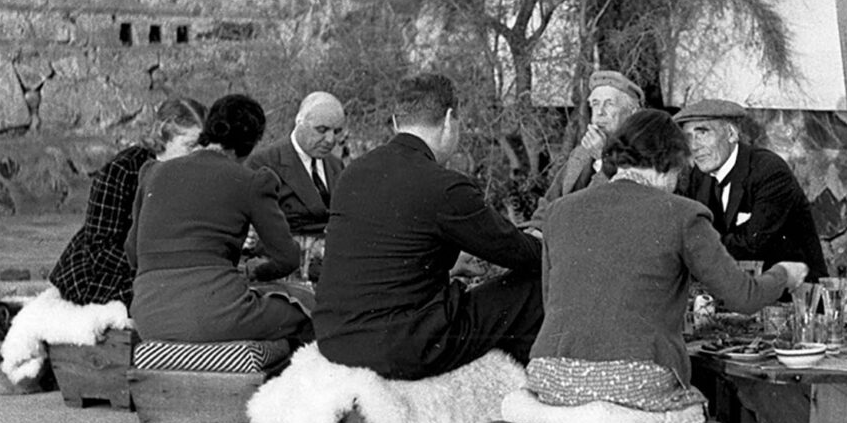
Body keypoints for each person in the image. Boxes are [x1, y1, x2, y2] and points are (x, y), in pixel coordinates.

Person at [529, 110, 809, 411]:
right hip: (633, 377)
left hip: (549, 376)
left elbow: (550, 299)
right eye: (679, 173)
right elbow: (744, 296)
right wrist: (784, 274)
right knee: (706, 410)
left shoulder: (559, 211)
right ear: (669, 163)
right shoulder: (683, 214)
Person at [312, 73, 544, 381]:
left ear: (396, 121)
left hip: (336, 341)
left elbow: (385, 258)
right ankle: (526, 391)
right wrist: (541, 240)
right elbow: (524, 255)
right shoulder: (446, 187)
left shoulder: (353, 173)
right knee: (532, 288)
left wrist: (449, 264)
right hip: (402, 348)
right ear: (449, 120)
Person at [125, 94, 314, 344]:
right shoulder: (253, 181)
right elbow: (287, 258)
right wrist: (256, 271)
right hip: (216, 316)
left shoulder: (154, 173)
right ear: (252, 142)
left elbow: (132, 253)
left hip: (150, 319)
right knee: (307, 308)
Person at [48, 96, 206, 308]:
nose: (198, 154)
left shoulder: (194, 173)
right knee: (169, 299)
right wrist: (159, 265)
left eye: (202, 146)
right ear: (164, 138)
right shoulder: (124, 171)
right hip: (104, 272)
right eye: (190, 145)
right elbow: (99, 250)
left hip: (159, 267)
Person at [673, 97, 828, 280]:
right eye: (688, 137)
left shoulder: (768, 171)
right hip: (738, 291)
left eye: (703, 133)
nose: (694, 146)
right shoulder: (699, 176)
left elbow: (753, 245)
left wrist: (691, 243)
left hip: (792, 295)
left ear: (732, 134)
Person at [531, 69, 643, 222]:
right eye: (595, 104)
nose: (599, 113)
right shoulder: (582, 153)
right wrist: (535, 229)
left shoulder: (644, 155)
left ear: (632, 113)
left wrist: (603, 159)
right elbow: (550, 203)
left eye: (609, 104)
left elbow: (597, 212)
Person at [246, 91, 346, 236]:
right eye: (321, 130)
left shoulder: (336, 165)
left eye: (337, 131)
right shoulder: (263, 164)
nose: (330, 140)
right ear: (299, 122)